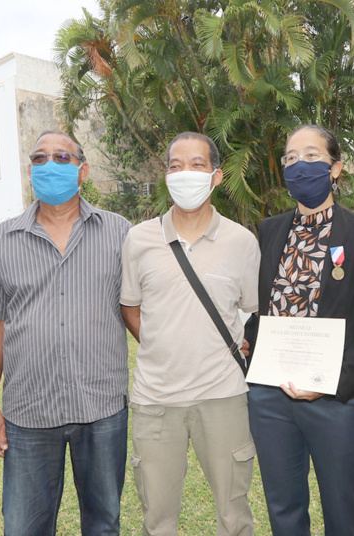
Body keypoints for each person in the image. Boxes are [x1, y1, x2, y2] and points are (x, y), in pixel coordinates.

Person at [0, 130, 131, 535]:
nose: (50, 165)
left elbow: (138, 310)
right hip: (28, 410)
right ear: (31, 171)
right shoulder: (2, 238)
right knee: (24, 526)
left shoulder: (120, 232)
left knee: (103, 524)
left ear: (82, 170)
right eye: (40, 158)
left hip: (101, 407)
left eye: (62, 158)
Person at [244, 124, 354, 535]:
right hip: (270, 398)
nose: (299, 165)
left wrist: (333, 382)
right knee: (284, 509)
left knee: (343, 511)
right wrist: (250, 342)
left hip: (335, 400)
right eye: (291, 158)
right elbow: (266, 305)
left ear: (335, 168)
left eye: (311, 156)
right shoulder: (269, 231)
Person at [120, 132, 260, 536]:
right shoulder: (138, 239)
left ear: (216, 176)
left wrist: (241, 340)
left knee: (234, 517)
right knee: (157, 519)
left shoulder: (242, 241)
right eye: (175, 165)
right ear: (165, 176)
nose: (185, 174)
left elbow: (254, 309)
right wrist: (162, 343)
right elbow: (130, 305)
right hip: (155, 400)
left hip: (224, 396)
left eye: (196, 165)